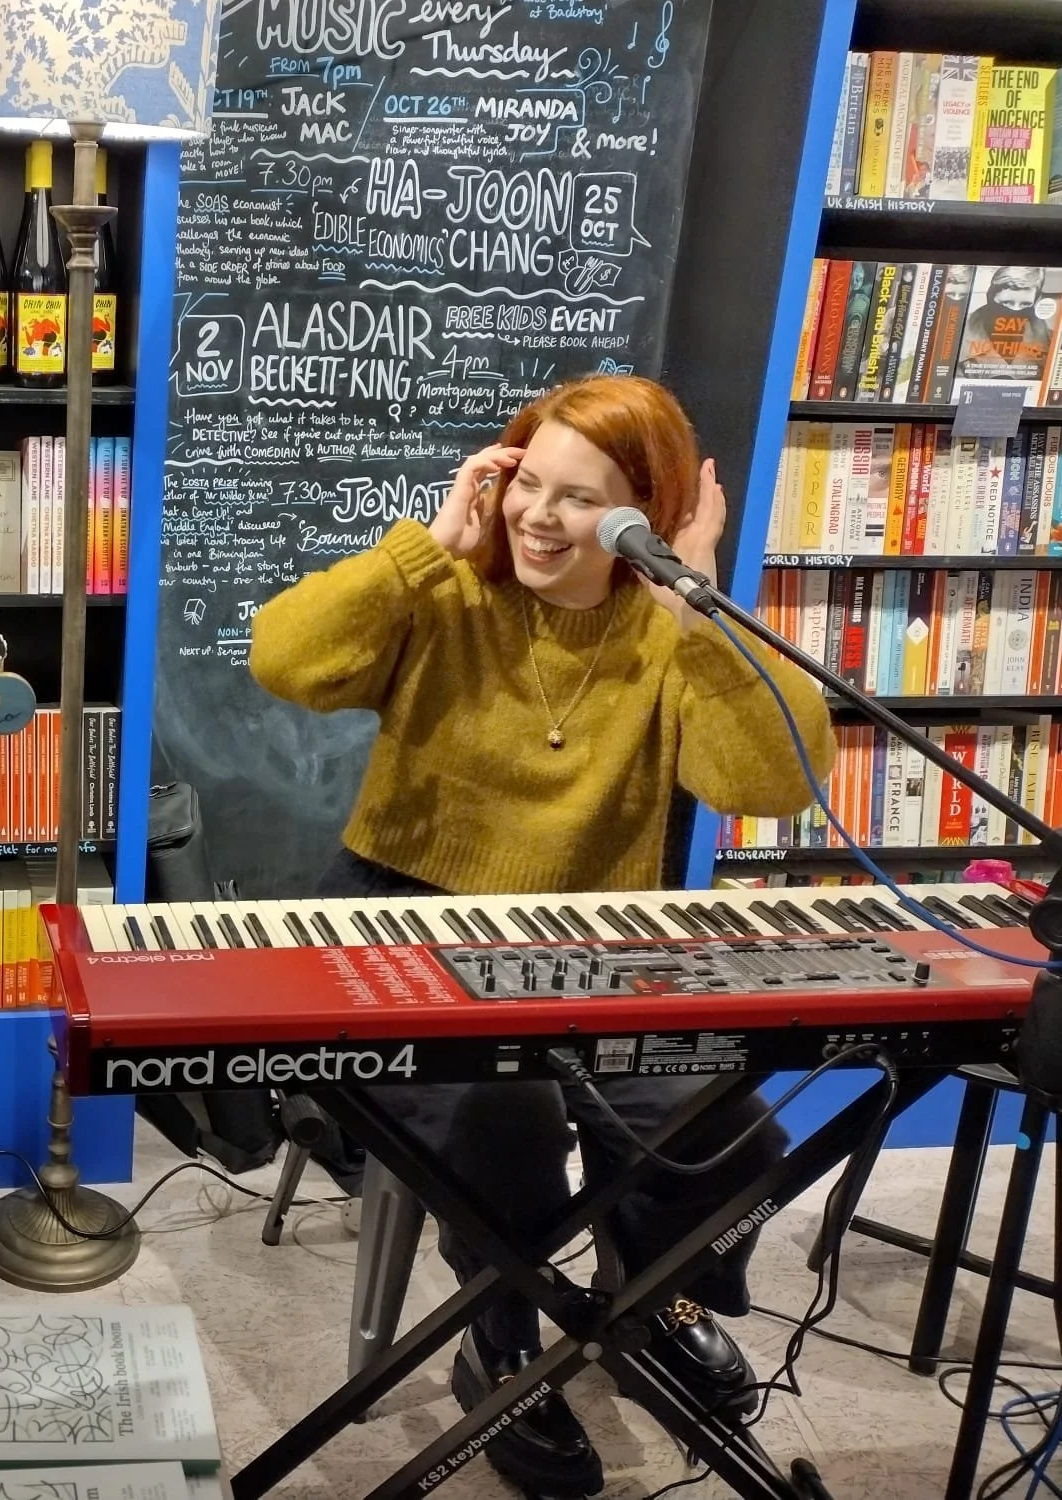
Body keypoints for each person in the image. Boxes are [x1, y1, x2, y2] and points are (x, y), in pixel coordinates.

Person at [249, 374, 834, 1500]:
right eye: (525, 481)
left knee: (735, 1135)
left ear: (645, 522)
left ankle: (639, 1299)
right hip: (400, 916)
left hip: (598, 940)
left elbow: (766, 780)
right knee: (502, 1118)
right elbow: (285, 658)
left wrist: (694, 603)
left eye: (578, 499)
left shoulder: (665, 633)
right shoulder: (444, 596)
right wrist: (426, 542)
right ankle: (501, 1328)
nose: (535, 516)